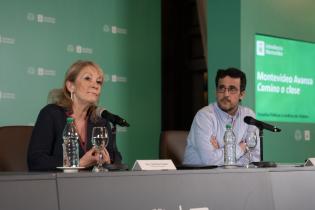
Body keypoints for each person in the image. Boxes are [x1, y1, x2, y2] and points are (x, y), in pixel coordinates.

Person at [27, 60, 122, 171]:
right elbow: (35, 161)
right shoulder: (51, 114)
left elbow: (117, 159)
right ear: (71, 86)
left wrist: (108, 161)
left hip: (93, 185)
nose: (95, 86)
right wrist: (78, 163)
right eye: (87, 78)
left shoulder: (100, 120)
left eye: (99, 82)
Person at [183, 67, 260, 166]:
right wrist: (241, 148)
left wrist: (220, 152)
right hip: (198, 176)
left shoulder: (249, 116)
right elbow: (209, 160)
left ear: (241, 94)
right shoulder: (204, 116)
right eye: (221, 88)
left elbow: (254, 157)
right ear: (216, 91)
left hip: (233, 176)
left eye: (232, 89)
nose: (226, 94)